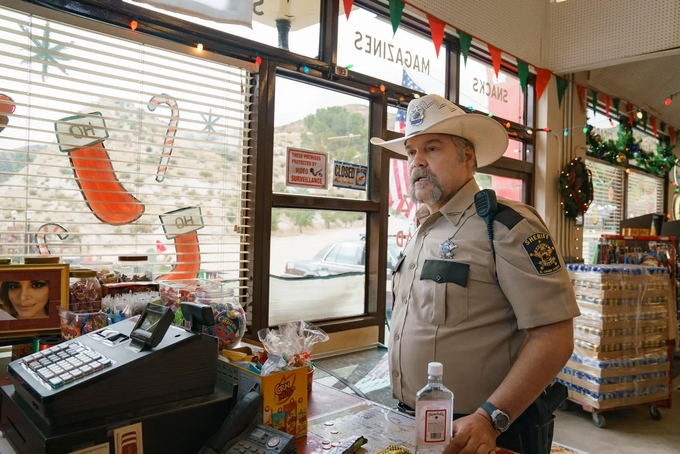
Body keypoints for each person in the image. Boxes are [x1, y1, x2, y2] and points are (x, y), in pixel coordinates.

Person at [370, 94, 580, 454]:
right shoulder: (424, 229)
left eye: (432, 148)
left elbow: (555, 337)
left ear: (467, 157)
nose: (417, 161)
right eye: (411, 152)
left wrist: (490, 418)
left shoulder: (504, 225)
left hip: (486, 432)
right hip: (415, 420)